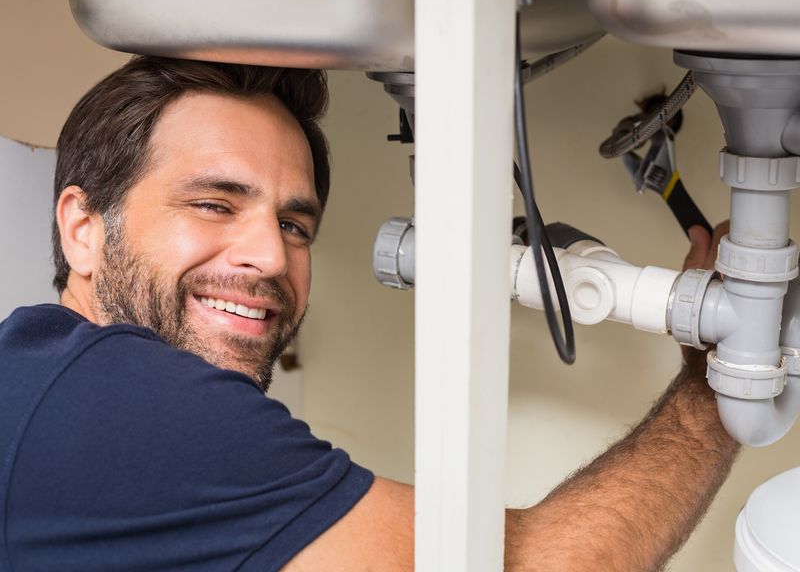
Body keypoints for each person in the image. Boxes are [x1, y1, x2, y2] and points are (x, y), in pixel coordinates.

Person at [0, 56, 738, 571]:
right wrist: (713, 392)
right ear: (83, 228)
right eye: (214, 204)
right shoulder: (129, 403)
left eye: (294, 225)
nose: (270, 255)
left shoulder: (40, 372)